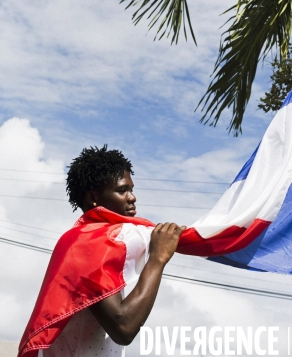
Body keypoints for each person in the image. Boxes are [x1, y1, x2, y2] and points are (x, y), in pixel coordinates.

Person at [19, 146, 186, 357]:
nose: (132, 198)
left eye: (132, 189)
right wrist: (158, 259)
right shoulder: (85, 245)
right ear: (93, 197)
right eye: (122, 190)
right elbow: (123, 327)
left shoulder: (101, 243)